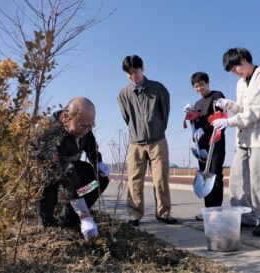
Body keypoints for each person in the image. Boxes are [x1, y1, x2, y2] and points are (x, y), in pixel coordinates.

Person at [213, 47, 260, 237]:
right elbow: (244, 109)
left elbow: (256, 111)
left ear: (244, 60)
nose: (236, 73)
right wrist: (231, 106)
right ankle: (246, 217)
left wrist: (228, 121)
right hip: (245, 138)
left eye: (236, 69)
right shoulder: (242, 83)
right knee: (237, 178)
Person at [34, 97, 110, 239]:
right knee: (49, 186)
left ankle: (69, 217)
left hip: (70, 165)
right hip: (47, 169)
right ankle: (47, 224)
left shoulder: (84, 124)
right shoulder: (52, 134)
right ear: (65, 117)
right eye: (83, 126)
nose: (87, 130)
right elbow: (66, 174)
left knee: (99, 180)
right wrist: (85, 216)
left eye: (91, 125)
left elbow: (91, 146)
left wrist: (98, 162)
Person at [117, 54, 176, 226]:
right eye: (128, 73)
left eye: (135, 71)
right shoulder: (123, 94)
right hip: (135, 143)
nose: (132, 76)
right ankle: (135, 215)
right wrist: (138, 132)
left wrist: (156, 129)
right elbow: (126, 117)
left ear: (142, 69)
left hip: (158, 140)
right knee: (134, 179)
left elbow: (165, 113)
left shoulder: (158, 88)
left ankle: (163, 213)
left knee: (161, 179)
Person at [184, 72, 226, 220]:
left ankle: (216, 211)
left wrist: (205, 129)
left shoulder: (216, 96)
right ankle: (209, 210)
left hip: (215, 143)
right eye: (196, 86)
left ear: (208, 83)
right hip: (202, 147)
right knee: (205, 176)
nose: (199, 88)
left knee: (214, 175)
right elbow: (196, 125)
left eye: (201, 84)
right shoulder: (197, 104)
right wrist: (190, 116)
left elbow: (221, 117)